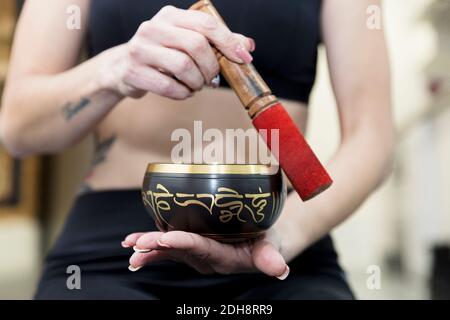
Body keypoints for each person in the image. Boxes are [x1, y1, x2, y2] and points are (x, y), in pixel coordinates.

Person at [0, 0, 393, 299]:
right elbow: (18, 129)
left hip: (281, 231)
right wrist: (115, 71)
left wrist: (281, 237)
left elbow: (371, 138)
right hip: (115, 245)